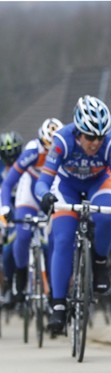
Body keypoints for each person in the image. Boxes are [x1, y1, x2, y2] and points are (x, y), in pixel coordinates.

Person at [34, 95, 111, 334]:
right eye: (90, 137)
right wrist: (45, 196)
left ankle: (99, 262)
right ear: (78, 132)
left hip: (98, 183)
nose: (95, 142)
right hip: (67, 187)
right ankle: (58, 304)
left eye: (100, 136)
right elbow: (43, 182)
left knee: (108, 216)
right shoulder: (62, 141)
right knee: (63, 238)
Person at [0, 119, 62, 305]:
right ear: (41, 141)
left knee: (54, 240)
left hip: (52, 190)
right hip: (29, 191)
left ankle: (54, 285)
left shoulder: (68, 149)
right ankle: (20, 274)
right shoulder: (33, 150)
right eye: (47, 148)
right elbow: (9, 182)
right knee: (23, 234)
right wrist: (5, 207)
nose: (50, 153)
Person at [0, 131, 23, 307]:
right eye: (7, 158)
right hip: (5, 211)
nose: (11, 162)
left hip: (24, 209)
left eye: (14, 157)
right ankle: (8, 283)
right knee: (7, 251)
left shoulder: (25, 165)